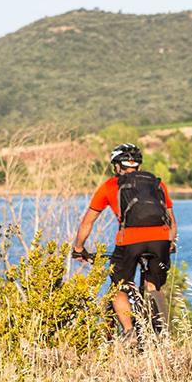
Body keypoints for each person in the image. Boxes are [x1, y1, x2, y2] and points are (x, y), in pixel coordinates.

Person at [72, 143, 177, 336]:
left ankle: (130, 332)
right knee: (153, 285)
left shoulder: (111, 185)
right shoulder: (157, 184)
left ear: (117, 166)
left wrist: (78, 248)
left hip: (130, 240)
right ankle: (160, 332)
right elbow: (172, 221)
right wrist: (169, 243)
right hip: (160, 239)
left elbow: (88, 222)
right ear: (138, 165)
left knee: (118, 287)